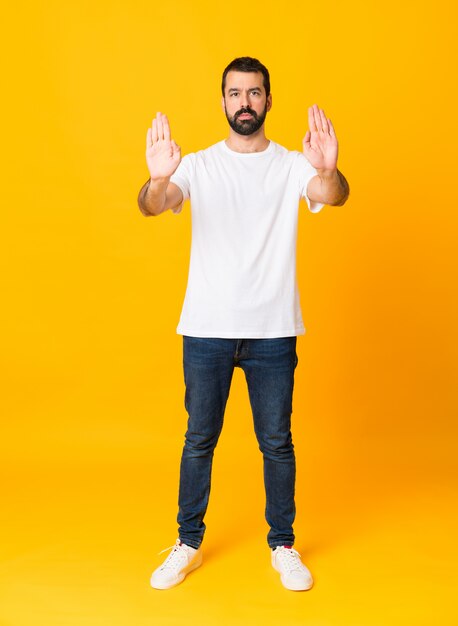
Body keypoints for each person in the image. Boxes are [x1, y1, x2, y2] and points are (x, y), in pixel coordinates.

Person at [137, 56, 349, 591]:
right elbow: (154, 204)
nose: (245, 103)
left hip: (273, 330)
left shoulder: (289, 164)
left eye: (254, 93)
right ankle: (187, 542)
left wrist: (325, 168)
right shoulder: (200, 165)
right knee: (199, 438)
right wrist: (157, 178)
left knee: (276, 440)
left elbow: (333, 195)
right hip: (207, 328)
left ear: (268, 101)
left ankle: (283, 544)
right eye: (235, 94)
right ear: (224, 102)